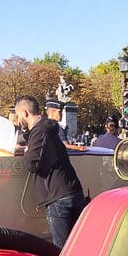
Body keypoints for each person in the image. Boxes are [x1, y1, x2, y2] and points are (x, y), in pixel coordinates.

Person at [15, 95, 85, 247]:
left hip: (58, 197)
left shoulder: (39, 132)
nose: (18, 119)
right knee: (76, 244)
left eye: (18, 115)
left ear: (25, 113)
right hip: (71, 190)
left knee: (61, 248)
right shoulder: (47, 129)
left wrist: (26, 151)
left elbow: (32, 163)